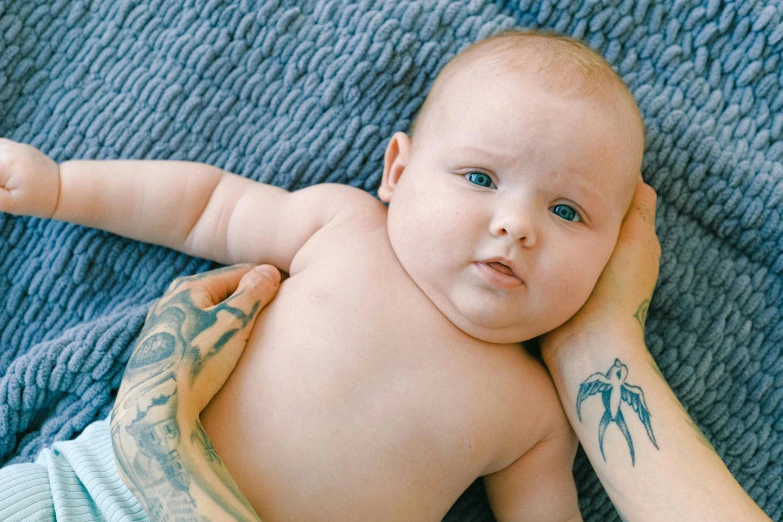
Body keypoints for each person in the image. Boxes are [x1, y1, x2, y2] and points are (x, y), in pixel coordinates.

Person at [0, 28, 771, 521]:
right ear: (396, 170)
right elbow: (204, 206)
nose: (517, 224)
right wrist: (62, 186)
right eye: (478, 178)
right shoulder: (342, 229)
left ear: (614, 260)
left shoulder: (534, 415)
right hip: (88, 493)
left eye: (568, 213)